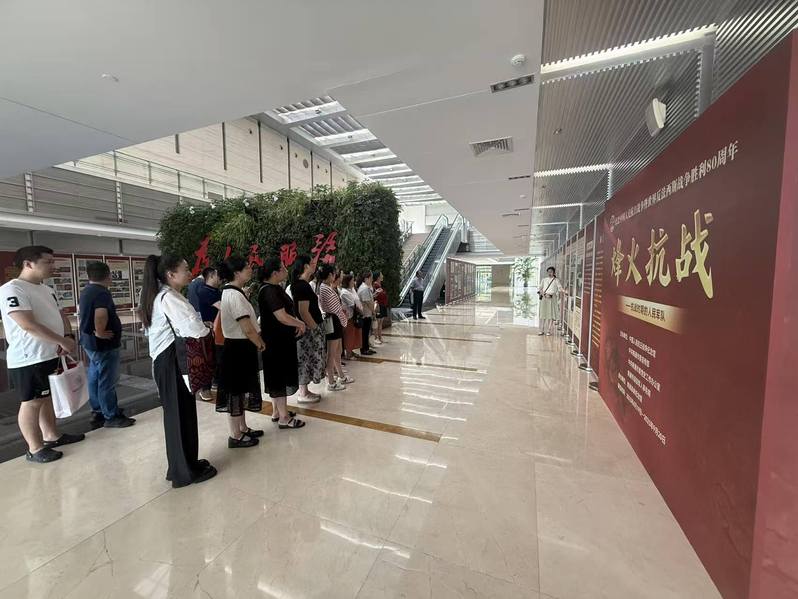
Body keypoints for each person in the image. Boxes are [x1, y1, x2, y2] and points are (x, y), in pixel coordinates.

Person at [0, 246, 86, 463]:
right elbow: (27, 324)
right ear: (28, 264)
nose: (53, 266)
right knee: (31, 402)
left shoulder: (46, 289)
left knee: (46, 398)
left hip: (50, 354)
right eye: (48, 262)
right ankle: (35, 448)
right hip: (30, 357)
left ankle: (51, 436)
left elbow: (60, 315)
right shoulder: (13, 289)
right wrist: (61, 341)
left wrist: (68, 336)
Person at [139, 254, 217, 488]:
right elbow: (194, 329)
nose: (190, 273)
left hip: (169, 361)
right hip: (171, 361)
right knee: (179, 415)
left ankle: (186, 463)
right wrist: (206, 328)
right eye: (185, 269)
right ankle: (183, 472)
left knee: (181, 413)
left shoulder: (162, 295)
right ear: (171, 274)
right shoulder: (169, 298)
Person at [79, 261, 135, 428]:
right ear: (108, 275)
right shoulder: (102, 292)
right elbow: (101, 314)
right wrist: (100, 331)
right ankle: (111, 415)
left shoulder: (87, 290)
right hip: (103, 345)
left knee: (95, 376)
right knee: (107, 380)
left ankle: (98, 410)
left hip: (90, 342)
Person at [215, 257, 264, 448]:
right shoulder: (234, 295)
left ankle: (242, 428)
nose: (250, 269)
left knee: (241, 389)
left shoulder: (234, 292)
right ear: (237, 273)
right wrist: (259, 342)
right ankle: (235, 435)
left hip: (241, 347)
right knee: (235, 391)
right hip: (237, 348)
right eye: (247, 267)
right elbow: (247, 327)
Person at [258, 258, 307, 429]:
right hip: (276, 342)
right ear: (275, 273)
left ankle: (277, 411)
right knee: (278, 377)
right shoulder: (269, 291)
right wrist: (300, 323)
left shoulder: (273, 288)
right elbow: (281, 316)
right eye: (283, 268)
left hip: (278, 340)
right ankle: (284, 418)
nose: (286, 270)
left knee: (276, 377)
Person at [291, 255, 325, 403]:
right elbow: (303, 311)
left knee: (307, 358)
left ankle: (305, 390)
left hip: (308, 328)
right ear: (305, 266)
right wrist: (315, 328)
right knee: (305, 358)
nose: (314, 265)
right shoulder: (302, 286)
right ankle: (303, 392)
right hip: (308, 330)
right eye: (312, 263)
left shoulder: (302, 284)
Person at [188, 267, 222, 400]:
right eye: (218, 275)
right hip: (207, 330)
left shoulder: (216, 290)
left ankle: (215, 382)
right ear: (211, 276)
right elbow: (223, 307)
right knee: (208, 358)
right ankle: (205, 388)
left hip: (217, 329)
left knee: (216, 357)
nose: (220, 277)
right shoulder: (204, 290)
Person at [317, 264, 351, 390]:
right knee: (331, 353)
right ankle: (331, 381)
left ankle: (339, 376)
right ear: (330, 275)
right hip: (333, 321)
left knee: (336, 351)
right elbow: (336, 309)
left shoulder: (324, 287)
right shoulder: (325, 288)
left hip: (333, 321)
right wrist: (344, 317)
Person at [340, 273, 362, 360]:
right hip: (349, 317)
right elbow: (352, 305)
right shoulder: (344, 292)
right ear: (348, 282)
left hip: (354, 316)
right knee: (349, 336)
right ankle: (348, 354)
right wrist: (361, 311)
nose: (354, 282)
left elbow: (357, 300)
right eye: (352, 280)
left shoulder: (352, 289)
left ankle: (351, 351)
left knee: (353, 335)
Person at [538, 266, 564, 336]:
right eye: (548, 272)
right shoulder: (544, 280)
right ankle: (541, 330)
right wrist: (543, 294)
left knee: (551, 315)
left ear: (554, 273)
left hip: (552, 298)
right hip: (544, 298)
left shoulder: (556, 280)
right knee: (543, 314)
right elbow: (540, 288)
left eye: (551, 272)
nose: (550, 273)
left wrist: (564, 291)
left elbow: (560, 288)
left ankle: (549, 330)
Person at [357, 271, 376, 355]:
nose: (372, 280)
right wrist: (373, 311)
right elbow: (368, 302)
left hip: (367, 314)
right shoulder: (364, 289)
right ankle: (364, 349)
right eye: (371, 278)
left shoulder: (365, 288)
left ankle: (367, 348)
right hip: (365, 314)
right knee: (364, 333)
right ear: (366, 279)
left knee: (366, 332)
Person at [372, 271, 388, 346]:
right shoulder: (375, 285)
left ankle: (380, 337)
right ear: (378, 277)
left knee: (380, 322)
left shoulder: (379, 285)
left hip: (382, 305)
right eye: (381, 275)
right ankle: (376, 338)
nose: (382, 276)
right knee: (377, 322)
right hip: (378, 305)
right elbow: (377, 295)